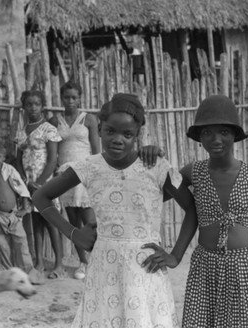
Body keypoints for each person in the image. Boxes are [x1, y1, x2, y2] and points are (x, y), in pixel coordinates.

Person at [141, 95, 248, 327]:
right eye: (207, 133)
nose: (216, 139)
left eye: (224, 131)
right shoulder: (194, 172)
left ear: (235, 134)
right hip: (204, 266)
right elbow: (156, 195)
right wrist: (153, 158)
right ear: (199, 138)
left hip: (242, 267)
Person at [32, 93, 196, 327]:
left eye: (127, 134)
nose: (118, 139)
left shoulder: (155, 166)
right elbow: (41, 196)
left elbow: (191, 208)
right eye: (110, 131)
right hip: (104, 267)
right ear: (99, 129)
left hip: (145, 268)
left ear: (137, 135)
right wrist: (74, 234)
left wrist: (175, 255)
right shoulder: (88, 167)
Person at [49, 81, 100, 280]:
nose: (70, 101)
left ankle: (98, 261)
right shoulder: (55, 121)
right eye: (66, 97)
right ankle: (83, 262)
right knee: (73, 221)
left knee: (89, 220)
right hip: (65, 174)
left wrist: (96, 173)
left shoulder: (89, 119)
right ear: (61, 98)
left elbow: (96, 150)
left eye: (74, 97)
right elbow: (53, 153)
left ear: (80, 98)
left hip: (85, 172)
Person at [0, 141, 43, 283]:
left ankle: (29, 272)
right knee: (3, 246)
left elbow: (21, 188)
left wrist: (24, 208)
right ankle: (10, 274)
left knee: (21, 243)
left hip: (13, 214)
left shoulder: (9, 170)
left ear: (4, 157)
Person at [15, 90, 64, 279]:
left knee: (51, 222)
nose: (33, 107)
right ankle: (40, 262)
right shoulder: (21, 132)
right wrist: (24, 182)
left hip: (46, 183)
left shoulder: (48, 130)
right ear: (24, 107)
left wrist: (40, 184)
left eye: (36, 104)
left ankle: (58, 264)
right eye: (29, 104)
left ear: (42, 106)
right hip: (27, 184)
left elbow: (52, 160)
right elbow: (18, 159)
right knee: (35, 224)